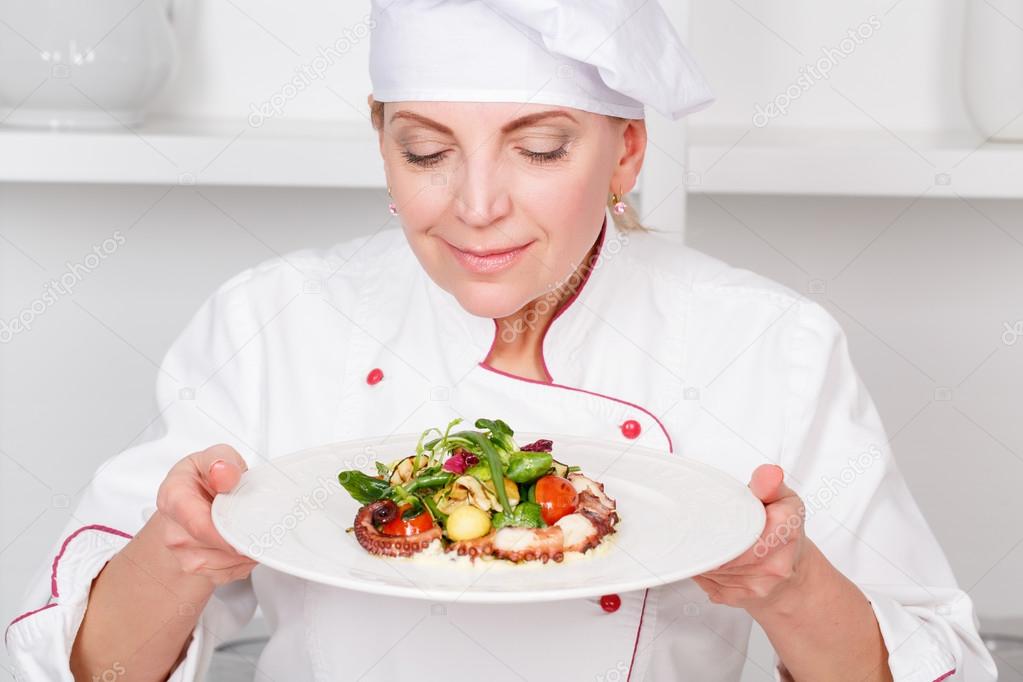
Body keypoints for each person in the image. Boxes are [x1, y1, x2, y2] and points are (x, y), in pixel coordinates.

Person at [6, 1, 997, 680]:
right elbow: (72, 667)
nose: (477, 206)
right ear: (381, 138)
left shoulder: (768, 343)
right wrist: (176, 552)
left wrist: (792, 585)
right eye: (426, 150)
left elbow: (936, 661)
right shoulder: (274, 325)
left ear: (628, 152)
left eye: (540, 147)